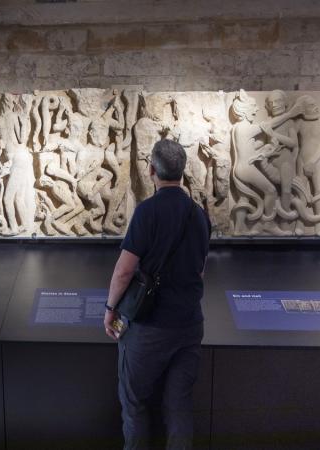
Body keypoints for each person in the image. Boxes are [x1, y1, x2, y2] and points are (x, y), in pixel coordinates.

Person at [104, 139, 211, 449]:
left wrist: (110, 308)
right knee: (179, 405)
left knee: (134, 403)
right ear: (182, 172)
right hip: (189, 323)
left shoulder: (147, 212)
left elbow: (124, 271)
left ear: (151, 170)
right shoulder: (198, 215)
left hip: (150, 326)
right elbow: (200, 269)